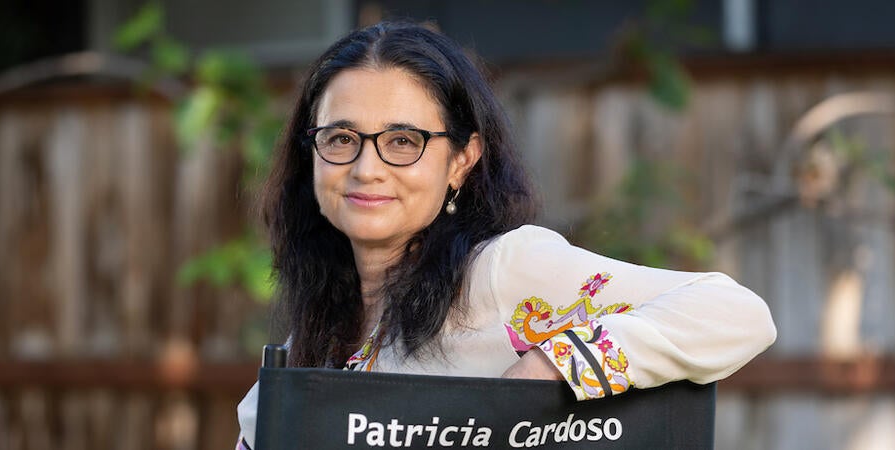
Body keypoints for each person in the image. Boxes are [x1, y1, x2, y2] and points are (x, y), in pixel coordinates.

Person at [235, 21, 775, 449]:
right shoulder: (305, 349)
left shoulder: (500, 273)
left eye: (403, 140)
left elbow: (735, 313)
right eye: (342, 137)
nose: (366, 168)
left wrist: (548, 368)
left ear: (462, 160)